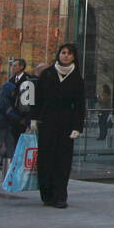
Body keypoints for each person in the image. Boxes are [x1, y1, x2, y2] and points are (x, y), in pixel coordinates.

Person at [34, 44, 84, 208]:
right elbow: (38, 99)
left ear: (74, 57)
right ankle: (46, 194)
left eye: (69, 54)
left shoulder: (77, 77)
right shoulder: (47, 74)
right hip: (47, 122)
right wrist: (34, 119)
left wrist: (77, 127)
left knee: (63, 161)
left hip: (66, 124)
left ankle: (60, 196)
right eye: (63, 53)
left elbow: (79, 105)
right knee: (46, 158)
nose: (65, 56)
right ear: (59, 55)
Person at [0, 59, 29, 169]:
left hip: (7, 123)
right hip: (4, 123)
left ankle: (10, 159)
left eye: (15, 65)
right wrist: (19, 118)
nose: (13, 68)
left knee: (9, 141)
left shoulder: (25, 80)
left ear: (21, 67)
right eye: (13, 65)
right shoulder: (7, 95)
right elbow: (8, 111)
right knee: (0, 142)